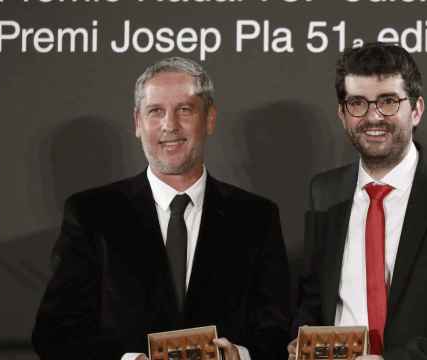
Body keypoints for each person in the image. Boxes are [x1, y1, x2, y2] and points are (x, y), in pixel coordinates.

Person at [32, 57, 291, 360]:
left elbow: (277, 331)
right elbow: (55, 333)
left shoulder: (255, 217)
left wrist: (241, 356)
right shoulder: (92, 214)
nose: (170, 125)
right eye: (155, 111)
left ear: (209, 119)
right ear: (137, 123)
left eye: (185, 109)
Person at [289, 43, 427, 360]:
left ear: (417, 109)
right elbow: (315, 296)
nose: (373, 116)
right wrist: (303, 337)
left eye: (388, 101)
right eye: (357, 103)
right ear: (342, 114)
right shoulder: (324, 191)